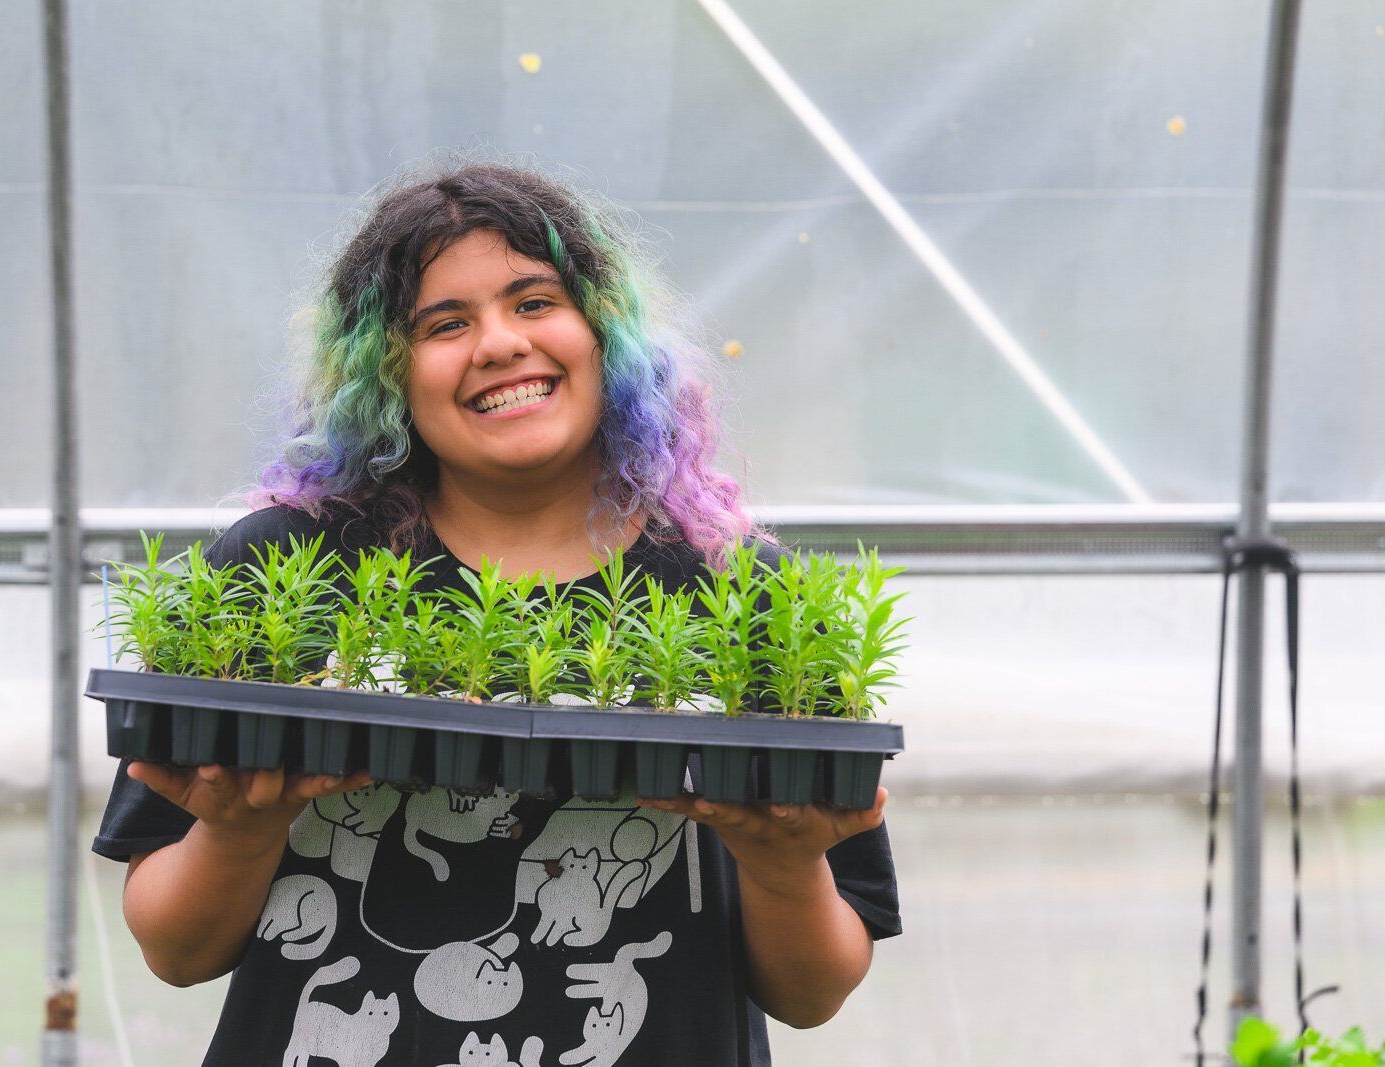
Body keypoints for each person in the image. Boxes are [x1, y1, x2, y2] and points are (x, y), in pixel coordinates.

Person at [92, 160, 900, 1067]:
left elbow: (813, 992)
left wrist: (784, 862)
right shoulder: (284, 568)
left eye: (533, 302)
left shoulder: (749, 595)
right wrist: (239, 832)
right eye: (445, 324)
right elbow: (176, 949)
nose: (499, 344)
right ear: (385, 372)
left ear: (604, 331)